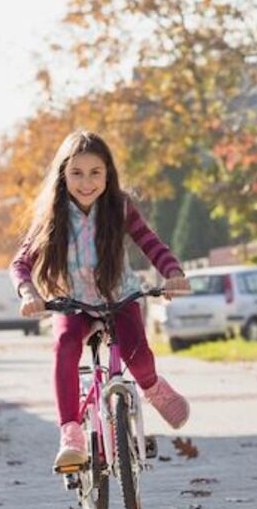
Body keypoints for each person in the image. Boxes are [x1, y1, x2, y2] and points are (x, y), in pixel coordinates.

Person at [11, 130, 191, 468]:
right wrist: (28, 292)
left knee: (137, 355)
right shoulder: (53, 213)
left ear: (108, 174)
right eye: (77, 173)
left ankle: (153, 388)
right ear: (63, 174)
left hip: (118, 296)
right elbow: (20, 263)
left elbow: (151, 244)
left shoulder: (119, 207)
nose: (86, 182)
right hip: (71, 302)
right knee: (65, 346)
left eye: (96, 173)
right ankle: (71, 434)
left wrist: (173, 273)